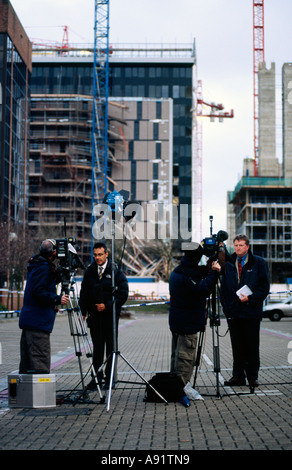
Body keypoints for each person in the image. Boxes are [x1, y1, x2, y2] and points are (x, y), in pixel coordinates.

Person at [169, 242, 221, 402]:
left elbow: (198, 276)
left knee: (177, 355)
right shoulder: (188, 274)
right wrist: (214, 273)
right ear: (197, 257)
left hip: (178, 320)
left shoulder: (179, 270)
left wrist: (209, 267)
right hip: (188, 322)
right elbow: (202, 290)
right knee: (186, 357)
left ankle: (177, 384)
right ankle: (182, 388)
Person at [220, 234, 270, 389]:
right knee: (237, 347)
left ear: (248, 246)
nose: (238, 248)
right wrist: (227, 310)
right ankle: (238, 377)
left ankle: (252, 377)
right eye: (235, 245)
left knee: (251, 347)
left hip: (251, 313)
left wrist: (251, 299)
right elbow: (224, 289)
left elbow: (264, 287)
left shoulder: (258, 263)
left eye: (241, 245)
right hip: (234, 314)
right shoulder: (228, 264)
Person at [79, 242, 128, 389]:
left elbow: (123, 293)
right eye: (95, 255)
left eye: (100, 254)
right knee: (98, 350)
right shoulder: (90, 272)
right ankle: (97, 379)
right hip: (95, 318)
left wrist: (107, 305)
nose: (97, 258)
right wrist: (83, 311)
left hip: (110, 318)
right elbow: (84, 293)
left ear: (107, 254)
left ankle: (110, 379)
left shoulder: (115, 271)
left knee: (111, 349)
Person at [19, 239, 69, 374]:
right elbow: (39, 291)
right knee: (39, 364)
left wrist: (59, 273)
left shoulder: (38, 264)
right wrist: (57, 299)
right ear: (53, 253)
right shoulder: (43, 267)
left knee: (28, 365)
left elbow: (45, 283)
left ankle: (26, 395)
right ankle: (39, 394)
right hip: (38, 324)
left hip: (31, 321)